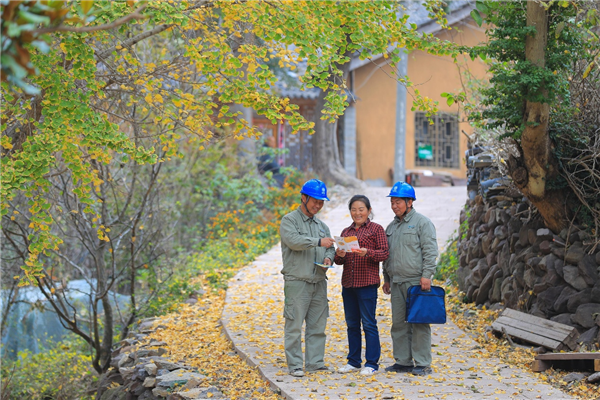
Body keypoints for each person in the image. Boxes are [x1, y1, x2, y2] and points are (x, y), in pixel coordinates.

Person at [279, 179, 336, 377]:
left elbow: (330, 247)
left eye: (321, 202)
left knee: (318, 325)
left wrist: (329, 258)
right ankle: (295, 364)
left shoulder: (322, 225)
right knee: (294, 325)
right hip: (297, 282)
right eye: (315, 201)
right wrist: (318, 242)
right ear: (303, 198)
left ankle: (315, 362)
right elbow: (294, 241)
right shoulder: (289, 221)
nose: (318, 205)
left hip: (319, 282)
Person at [382, 182, 438, 376]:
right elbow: (386, 255)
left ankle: (422, 362)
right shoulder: (391, 227)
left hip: (416, 282)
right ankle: (403, 361)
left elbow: (430, 251)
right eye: (392, 202)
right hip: (396, 282)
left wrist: (426, 276)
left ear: (409, 202)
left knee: (419, 323)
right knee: (398, 324)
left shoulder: (423, 223)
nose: (395, 206)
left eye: (398, 202)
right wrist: (386, 278)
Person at [334, 195, 389, 375]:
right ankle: (354, 361)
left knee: (368, 324)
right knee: (351, 324)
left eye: (361, 209)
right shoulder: (346, 231)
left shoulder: (376, 230)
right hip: (348, 285)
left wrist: (367, 252)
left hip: (366, 284)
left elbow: (384, 253)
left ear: (368, 210)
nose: (357, 213)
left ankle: (372, 363)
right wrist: (340, 255)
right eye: (354, 210)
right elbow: (338, 261)